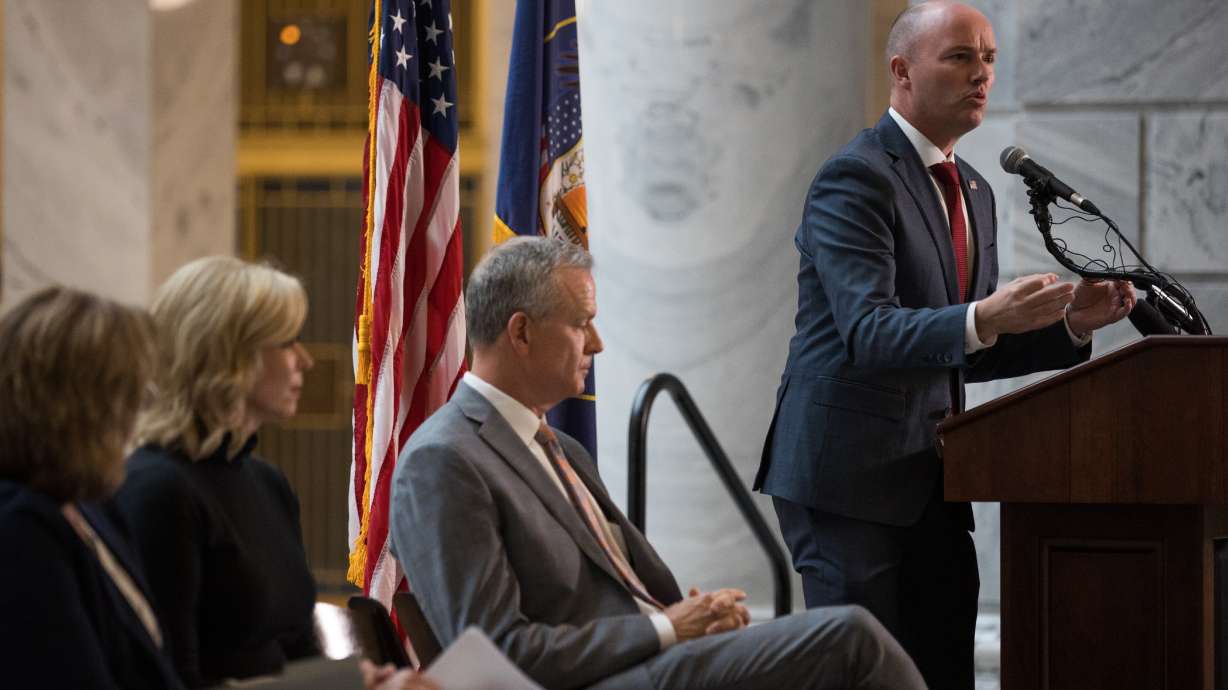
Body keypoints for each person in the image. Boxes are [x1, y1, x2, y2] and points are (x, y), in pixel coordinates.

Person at [752, 2, 1136, 688]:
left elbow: (964, 347)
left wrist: (1073, 323)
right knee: (863, 677)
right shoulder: (856, 178)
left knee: (944, 670)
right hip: (846, 482)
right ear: (902, 71)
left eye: (988, 58)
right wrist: (985, 315)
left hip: (931, 480)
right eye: (960, 57)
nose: (980, 74)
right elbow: (869, 332)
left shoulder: (978, 191)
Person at [389, 237, 927, 690]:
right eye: (583, 324)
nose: (597, 344)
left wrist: (695, 622)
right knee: (851, 638)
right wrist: (667, 628)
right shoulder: (444, 460)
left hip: (648, 661)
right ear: (522, 332)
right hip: (601, 680)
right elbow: (497, 653)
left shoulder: (561, 448)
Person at [113, 256, 320, 688]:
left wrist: (362, 681)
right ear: (228, 356)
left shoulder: (267, 482)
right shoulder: (157, 491)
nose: (305, 361)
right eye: (286, 342)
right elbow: (169, 677)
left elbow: (301, 652)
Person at [0, 287, 185, 690]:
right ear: (80, 406)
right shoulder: (20, 532)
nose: (141, 405)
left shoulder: (94, 508)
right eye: (129, 391)